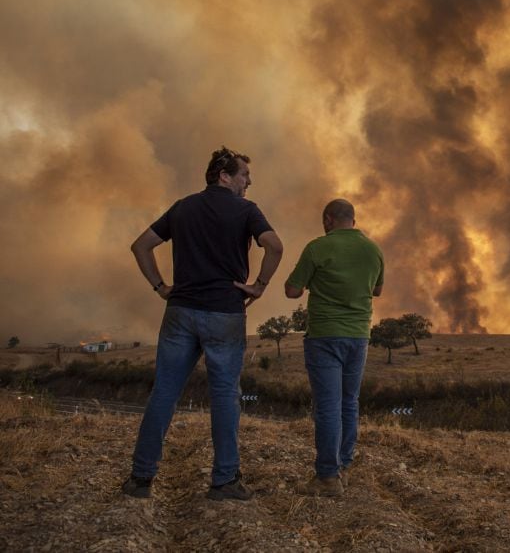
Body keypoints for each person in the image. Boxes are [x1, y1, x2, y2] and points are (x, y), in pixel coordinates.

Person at [122, 146, 283, 501]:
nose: (248, 182)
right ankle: (224, 481)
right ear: (224, 175)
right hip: (225, 312)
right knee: (225, 395)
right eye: (244, 176)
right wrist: (259, 286)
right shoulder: (246, 211)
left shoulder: (183, 207)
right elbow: (274, 246)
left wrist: (161, 287)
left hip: (180, 311)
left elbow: (140, 246)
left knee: (164, 392)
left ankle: (140, 479)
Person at [285, 199, 384, 497]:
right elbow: (377, 289)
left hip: (325, 335)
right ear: (353, 220)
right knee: (349, 401)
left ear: (328, 219)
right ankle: (344, 464)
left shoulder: (318, 247)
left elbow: (292, 290)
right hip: (358, 336)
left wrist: (317, 281)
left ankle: (328, 477)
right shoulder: (373, 250)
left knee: (328, 406)